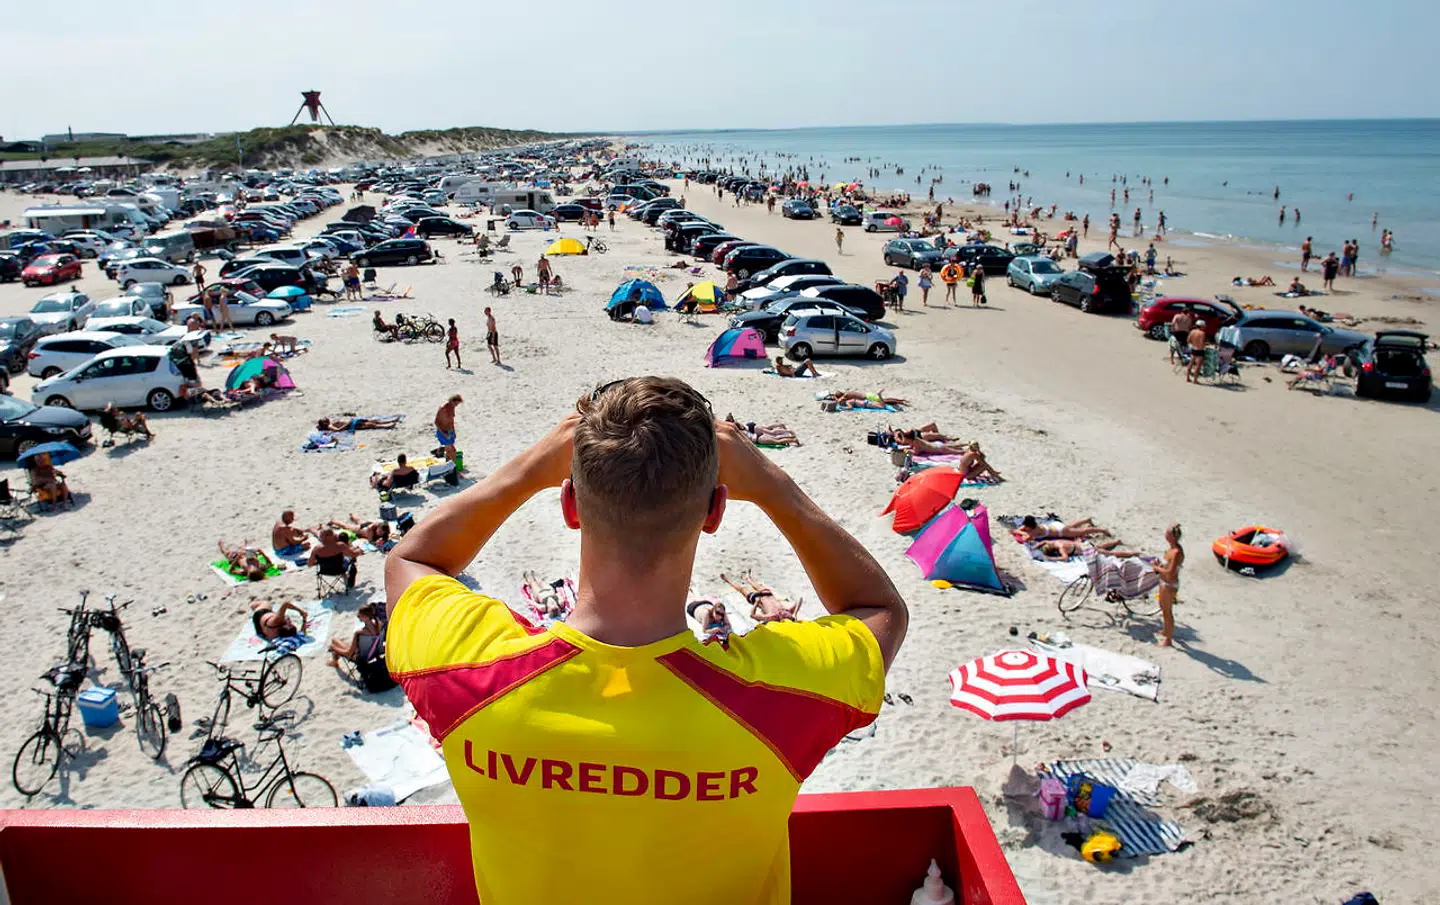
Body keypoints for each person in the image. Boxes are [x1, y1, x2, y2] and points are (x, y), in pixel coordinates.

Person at [382, 377, 907, 905]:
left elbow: (413, 559)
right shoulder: (780, 698)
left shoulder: (466, 670)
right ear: (715, 513)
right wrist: (774, 487)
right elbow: (879, 609)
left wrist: (530, 469)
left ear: (570, 507)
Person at [722, 572, 802, 623]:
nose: (785, 614)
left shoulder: (772, 616)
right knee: (758, 586)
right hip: (768, 594)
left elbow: (752, 615)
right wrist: (795, 613)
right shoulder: (788, 610)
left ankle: (727, 580)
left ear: (781, 619)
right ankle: (748, 579)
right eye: (788, 615)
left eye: (784, 616)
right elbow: (800, 599)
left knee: (742, 589)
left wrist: (756, 603)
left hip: (758, 600)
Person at [1151, 524, 1183, 646]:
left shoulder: (1176, 552)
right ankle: (1165, 631)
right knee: (1162, 607)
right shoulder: (1171, 548)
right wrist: (1158, 566)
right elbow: (1166, 566)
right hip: (1164, 582)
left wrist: (1157, 569)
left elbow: (1170, 571)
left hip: (1170, 585)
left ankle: (1168, 640)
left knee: (1167, 612)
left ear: (1171, 536)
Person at [329, 603, 383, 668]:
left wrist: (333, 648)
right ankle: (334, 661)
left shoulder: (359, 633)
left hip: (359, 658)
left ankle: (334, 661)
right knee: (334, 640)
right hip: (372, 653)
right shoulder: (379, 626)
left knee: (333, 644)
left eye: (359, 616)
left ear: (365, 617)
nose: (358, 617)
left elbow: (349, 653)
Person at [1016, 516, 1111, 542]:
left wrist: (1023, 533)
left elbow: (1024, 538)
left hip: (1060, 531)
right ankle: (1086, 520)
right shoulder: (1034, 526)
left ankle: (1103, 530)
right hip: (1055, 526)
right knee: (1071, 527)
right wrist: (1023, 532)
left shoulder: (1033, 532)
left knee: (1082, 532)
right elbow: (1018, 530)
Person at [327, 514, 392, 547]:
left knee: (359, 521)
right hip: (364, 529)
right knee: (346, 527)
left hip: (368, 525)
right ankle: (333, 521)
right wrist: (376, 542)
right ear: (378, 528)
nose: (379, 533)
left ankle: (352, 515)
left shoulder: (384, 528)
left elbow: (385, 538)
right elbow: (370, 541)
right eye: (379, 531)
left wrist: (382, 541)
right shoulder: (371, 529)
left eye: (381, 533)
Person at [435, 394, 461, 461]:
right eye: (456, 404)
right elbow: (436, 422)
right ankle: (454, 466)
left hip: (449, 431)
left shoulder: (452, 407)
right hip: (443, 432)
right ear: (452, 401)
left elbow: (451, 421)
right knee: (452, 450)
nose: (456, 406)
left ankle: (448, 464)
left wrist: (454, 431)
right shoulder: (443, 408)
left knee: (448, 451)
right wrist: (444, 434)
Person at [317, 415, 402, 432]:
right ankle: (388, 426)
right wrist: (348, 423)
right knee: (371, 425)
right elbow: (338, 430)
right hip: (352, 425)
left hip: (353, 421)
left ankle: (391, 421)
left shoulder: (330, 423)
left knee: (373, 421)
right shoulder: (330, 426)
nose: (327, 418)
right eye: (325, 419)